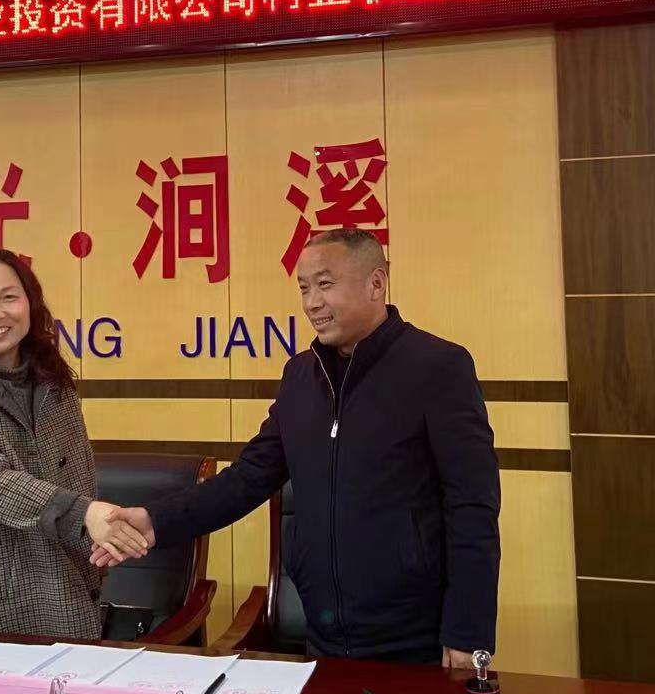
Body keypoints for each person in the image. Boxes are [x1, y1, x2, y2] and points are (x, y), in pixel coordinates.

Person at [92, 229, 500, 666]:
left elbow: (472, 507)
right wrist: (156, 521)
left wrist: (467, 634)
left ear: (376, 284)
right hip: (321, 636)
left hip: (416, 642)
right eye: (304, 288)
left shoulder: (438, 367)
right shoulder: (301, 377)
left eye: (325, 284)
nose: (311, 303)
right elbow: (249, 477)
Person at [0, 247, 148, 638]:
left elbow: (79, 473)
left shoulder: (55, 382)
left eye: (9, 297)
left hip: (61, 579)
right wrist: (84, 515)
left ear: (30, 304)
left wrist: (98, 541)